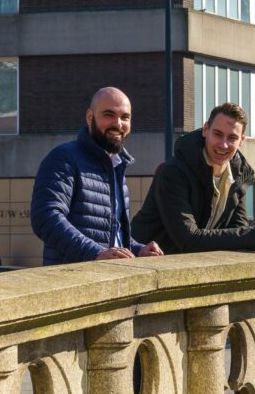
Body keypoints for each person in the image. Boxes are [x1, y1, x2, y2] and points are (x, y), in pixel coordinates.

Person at [31, 87, 163, 265]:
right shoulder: (64, 158)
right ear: (89, 117)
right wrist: (95, 253)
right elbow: (45, 218)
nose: (118, 124)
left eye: (125, 117)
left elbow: (111, 238)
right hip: (73, 284)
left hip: (110, 281)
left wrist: (139, 250)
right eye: (109, 114)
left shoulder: (117, 167)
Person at [132, 102, 255, 253]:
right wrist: (254, 235)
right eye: (218, 134)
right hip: (147, 265)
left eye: (232, 138)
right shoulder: (173, 172)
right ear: (206, 130)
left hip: (190, 268)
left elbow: (238, 231)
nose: (223, 145)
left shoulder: (239, 175)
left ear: (242, 141)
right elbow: (188, 240)